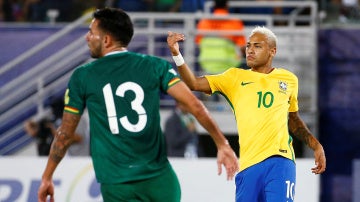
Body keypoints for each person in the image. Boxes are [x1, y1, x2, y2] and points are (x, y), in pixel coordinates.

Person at [38, 7, 238, 202]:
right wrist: (222, 143)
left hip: (118, 185)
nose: (87, 37)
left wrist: (47, 176)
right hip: (160, 181)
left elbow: (64, 134)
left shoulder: (82, 76)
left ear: (106, 40)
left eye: (91, 32)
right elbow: (195, 105)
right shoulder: (155, 65)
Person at [167, 26, 326, 202]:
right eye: (248, 45)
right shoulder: (234, 77)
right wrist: (177, 55)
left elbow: (293, 120)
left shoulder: (289, 80)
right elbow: (193, 84)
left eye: (257, 46)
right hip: (249, 165)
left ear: (272, 51)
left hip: (280, 161)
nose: (250, 50)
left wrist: (315, 145)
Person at [196, 0, 247, 74]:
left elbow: (198, 43)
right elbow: (242, 47)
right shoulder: (234, 22)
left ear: (214, 5)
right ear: (227, 5)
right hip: (228, 64)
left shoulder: (204, 22)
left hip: (206, 64)